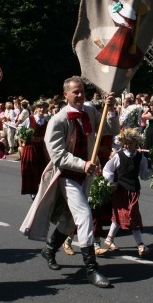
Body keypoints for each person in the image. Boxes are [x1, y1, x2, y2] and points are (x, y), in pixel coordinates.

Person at [20, 76, 119, 288]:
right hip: (65, 176)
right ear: (66, 94)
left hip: (86, 175)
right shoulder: (58, 120)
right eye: (76, 91)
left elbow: (111, 130)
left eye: (82, 91)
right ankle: (91, 269)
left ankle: (49, 249)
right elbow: (57, 154)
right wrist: (82, 164)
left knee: (70, 219)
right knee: (84, 215)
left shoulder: (90, 112)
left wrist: (110, 109)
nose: (80, 95)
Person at [102, 129, 152, 257]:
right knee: (121, 216)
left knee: (132, 215)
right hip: (121, 190)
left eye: (131, 143)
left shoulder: (141, 157)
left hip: (134, 191)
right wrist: (111, 181)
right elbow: (107, 170)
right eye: (126, 143)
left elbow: (144, 175)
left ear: (136, 143)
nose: (128, 145)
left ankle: (111, 239)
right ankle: (140, 244)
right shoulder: (118, 156)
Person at [20, 102, 49, 198]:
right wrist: (25, 138)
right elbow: (20, 129)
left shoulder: (46, 122)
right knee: (31, 169)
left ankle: (40, 190)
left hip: (41, 148)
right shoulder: (30, 119)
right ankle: (33, 191)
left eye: (44, 108)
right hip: (30, 147)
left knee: (42, 169)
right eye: (40, 107)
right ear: (36, 108)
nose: (42, 110)